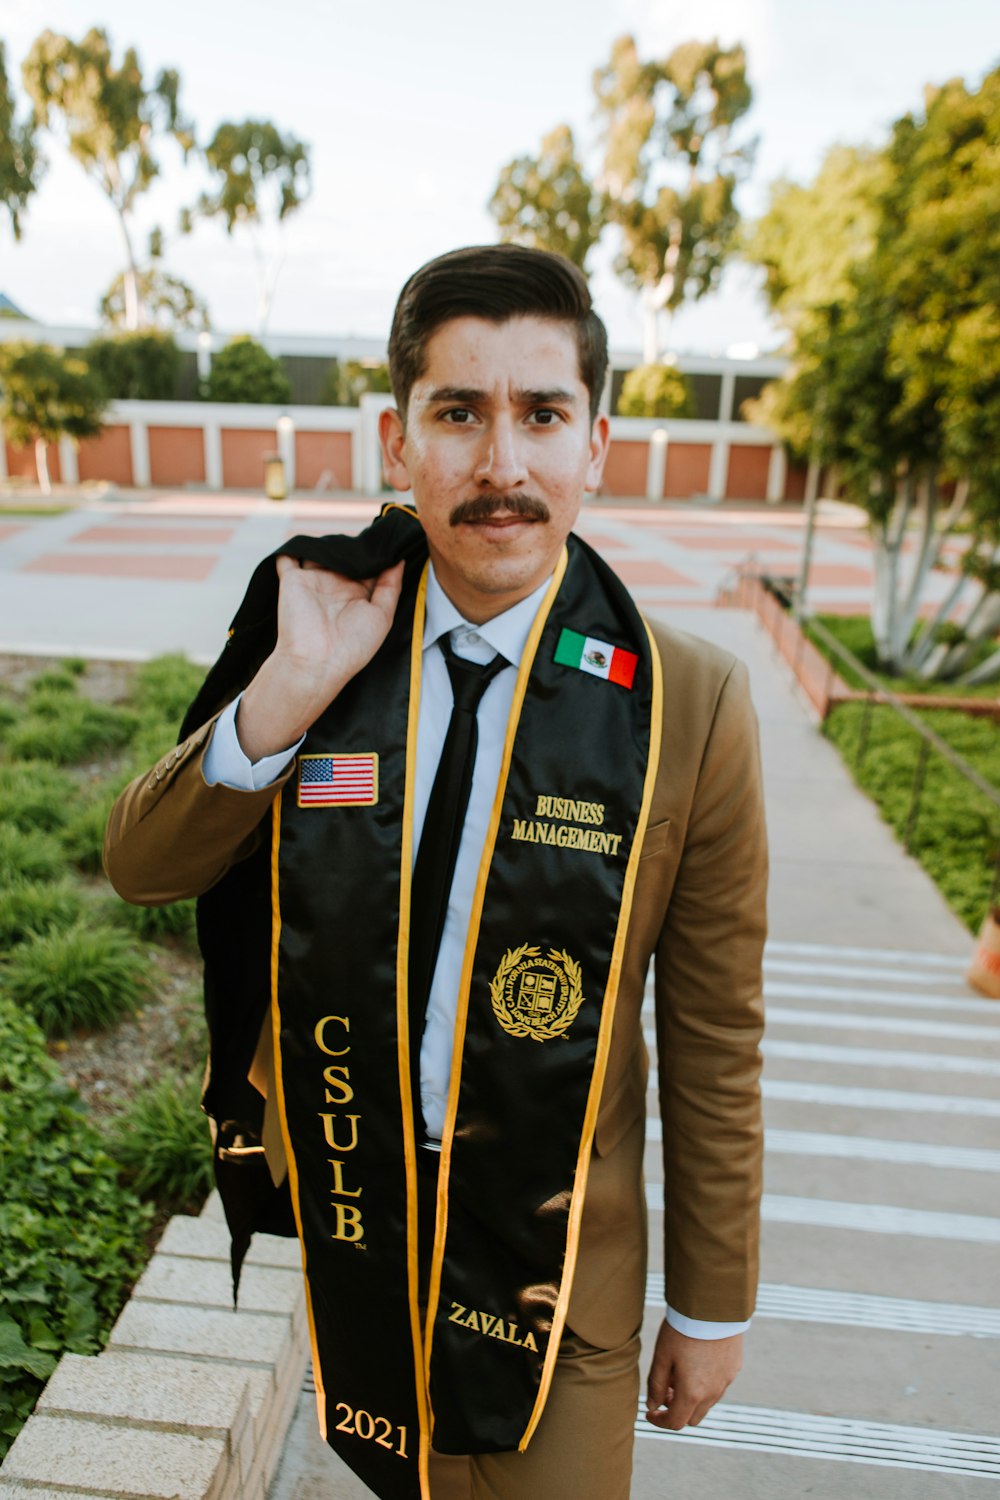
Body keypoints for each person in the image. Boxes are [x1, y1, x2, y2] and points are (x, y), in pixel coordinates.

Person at [104, 244, 766, 1500]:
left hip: (557, 1269)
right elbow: (141, 865)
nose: (501, 466)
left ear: (597, 447)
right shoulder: (323, 631)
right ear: (396, 443)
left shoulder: (691, 703)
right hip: (364, 1230)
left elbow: (715, 1030)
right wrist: (287, 697)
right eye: (458, 413)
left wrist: (715, 1300)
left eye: (541, 415)